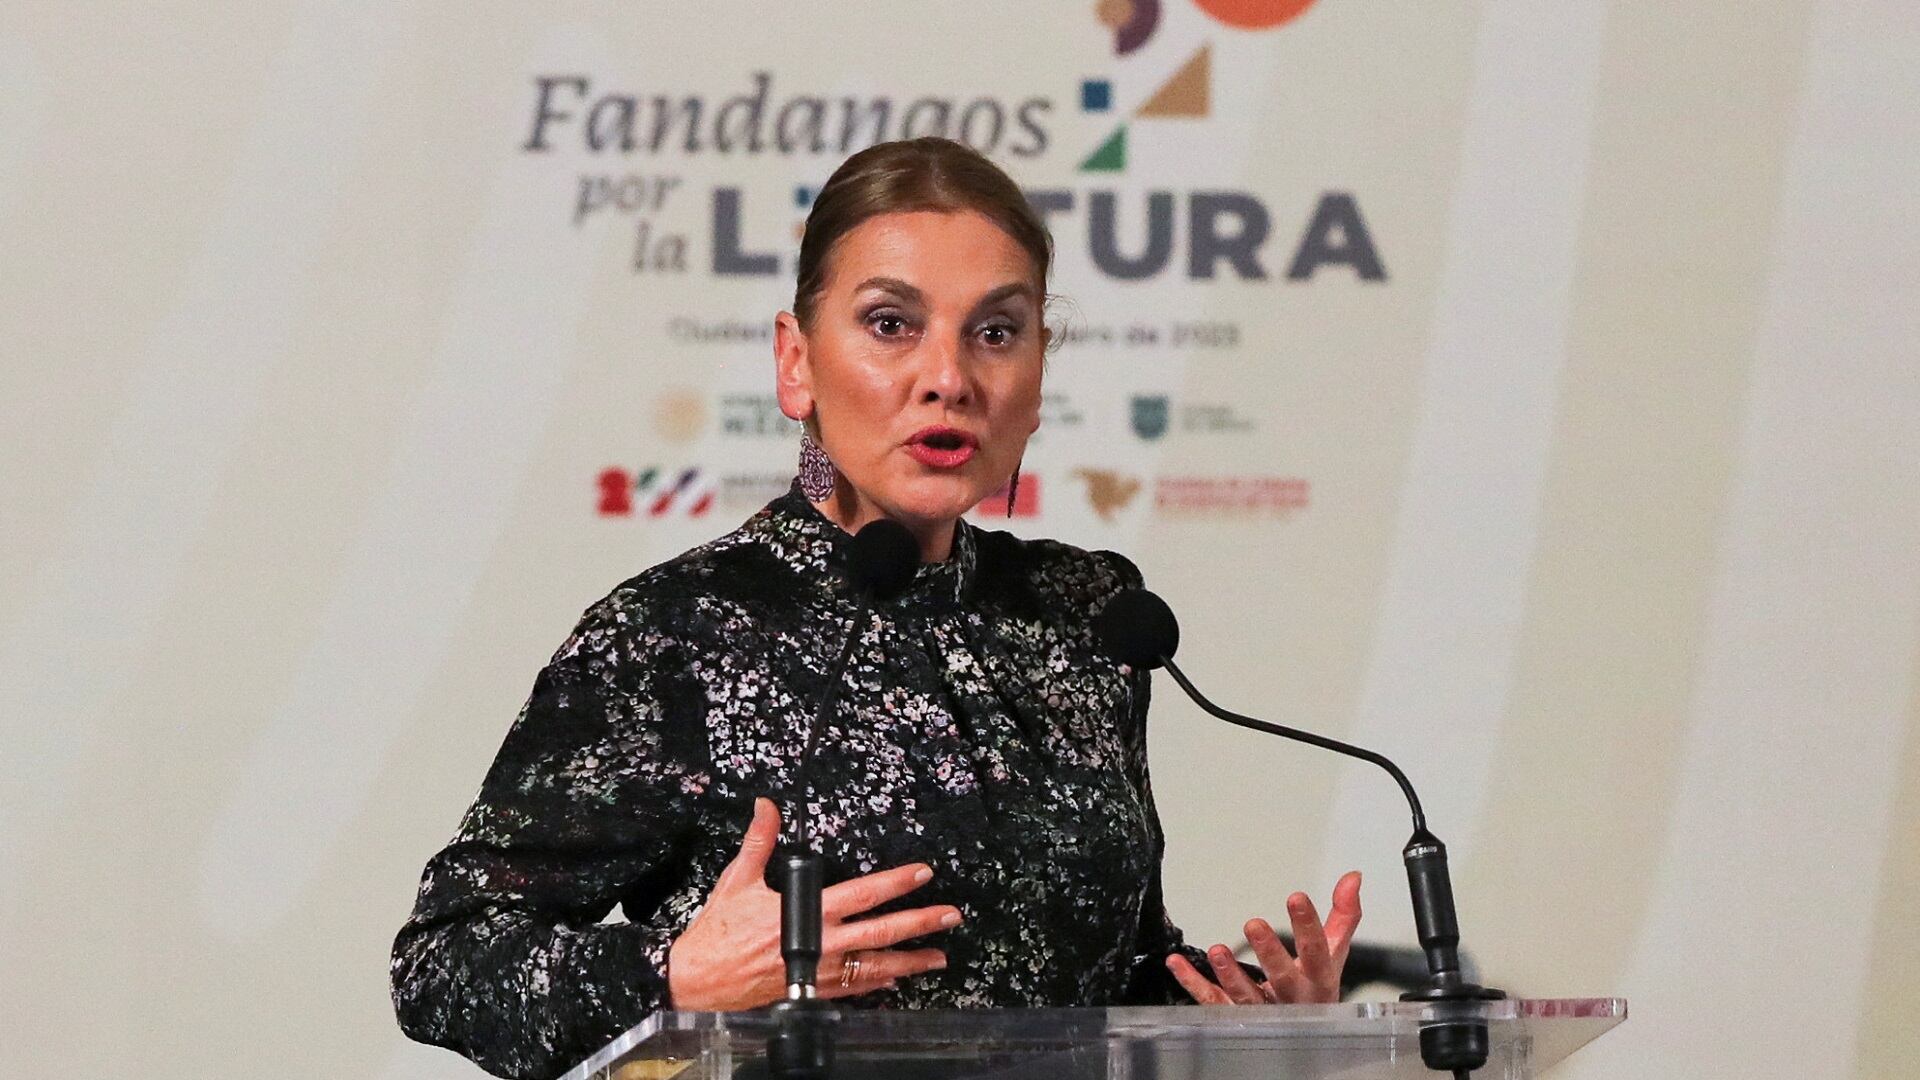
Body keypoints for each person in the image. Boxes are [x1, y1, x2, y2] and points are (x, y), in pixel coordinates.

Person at [390, 137, 1363, 1080]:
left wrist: (1244, 1028)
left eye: (995, 331)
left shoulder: (1086, 616)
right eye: (892, 324)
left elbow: (1090, 976)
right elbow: (446, 965)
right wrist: (675, 975)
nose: (948, 377)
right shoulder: (677, 632)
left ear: (1035, 376)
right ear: (796, 362)